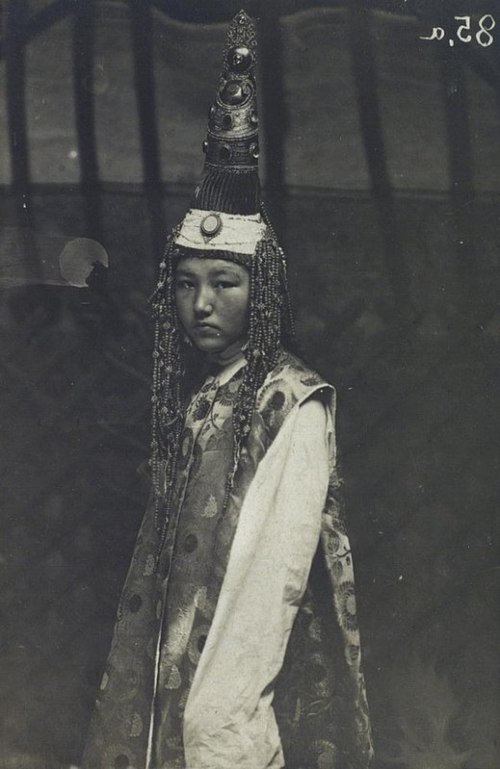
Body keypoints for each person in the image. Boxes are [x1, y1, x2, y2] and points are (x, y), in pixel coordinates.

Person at [82, 11, 373, 769]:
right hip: (172, 674)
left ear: (263, 289)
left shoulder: (291, 404)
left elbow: (269, 575)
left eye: (224, 282)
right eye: (185, 284)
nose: (201, 304)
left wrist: (220, 710)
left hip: (234, 687)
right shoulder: (207, 395)